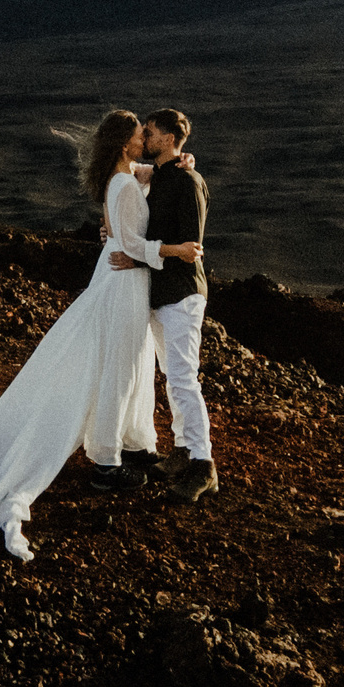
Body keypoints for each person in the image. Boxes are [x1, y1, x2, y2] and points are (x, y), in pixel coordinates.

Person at [0, 109, 203, 562]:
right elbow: (130, 244)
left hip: (128, 281)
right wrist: (174, 249)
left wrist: (182, 162)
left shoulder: (128, 176)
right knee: (119, 365)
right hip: (125, 283)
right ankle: (107, 463)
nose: (143, 140)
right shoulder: (124, 183)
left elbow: (146, 184)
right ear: (123, 143)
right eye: (137, 135)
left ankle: (131, 442)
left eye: (147, 134)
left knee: (130, 361)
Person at [100, 108, 216, 503]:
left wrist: (138, 259)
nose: (144, 137)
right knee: (172, 375)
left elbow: (190, 246)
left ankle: (203, 465)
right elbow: (123, 188)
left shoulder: (187, 181)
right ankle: (183, 450)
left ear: (167, 139)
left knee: (183, 378)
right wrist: (115, 232)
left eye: (149, 132)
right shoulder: (162, 175)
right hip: (161, 293)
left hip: (182, 293)